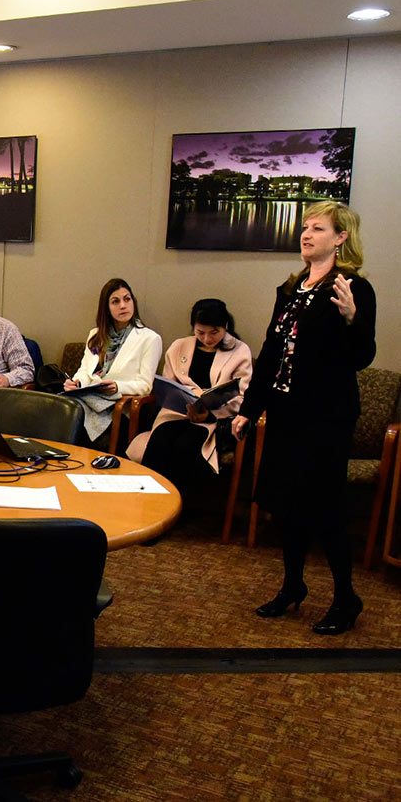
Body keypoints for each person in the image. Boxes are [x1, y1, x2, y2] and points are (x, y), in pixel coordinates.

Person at [231, 201, 376, 635]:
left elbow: (361, 357)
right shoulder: (290, 288)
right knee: (287, 505)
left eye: (318, 228)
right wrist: (248, 410)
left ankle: (347, 598)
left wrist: (351, 319)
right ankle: (293, 587)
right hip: (286, 413)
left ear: (341, 237)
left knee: (325, 509)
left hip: (326, 419)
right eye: (305, 227)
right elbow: (271, 354)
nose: (306, 234)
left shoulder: (354, 288)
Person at [126, 299, 252, 489]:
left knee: (185, 445)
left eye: (214, 332)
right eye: (200, 332)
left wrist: (209, 414)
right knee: (160, 440)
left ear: (226, 326)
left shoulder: (239, 351)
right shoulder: (179, 346)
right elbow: (168, 384)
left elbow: (242, 396)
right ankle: (148, 497)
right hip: (177, 413)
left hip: (213, 420)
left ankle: (175, 502)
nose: (207, 339)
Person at [64, 277, 162, 443]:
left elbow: (145, 386)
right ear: (107, 308)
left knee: (73, 419)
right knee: (59, 409)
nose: (123, 306)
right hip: (89, 396)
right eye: (115, 302)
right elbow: (85, 370)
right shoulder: (96, 335)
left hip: (118, 404)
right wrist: (76, 383)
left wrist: (118, 387)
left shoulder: (150, 339)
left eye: (127, 299)